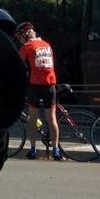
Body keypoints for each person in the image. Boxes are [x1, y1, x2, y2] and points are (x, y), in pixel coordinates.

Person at [15, 21, 61, 160]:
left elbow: (17, 65)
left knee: (33, 118)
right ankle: (56, 150)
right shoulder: (46, 45)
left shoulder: (27, 47)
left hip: (35, 86)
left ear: (26, 33)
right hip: (50, 85)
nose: (20, 40)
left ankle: (33, 149)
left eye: (20, 37)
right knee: (51, 118)